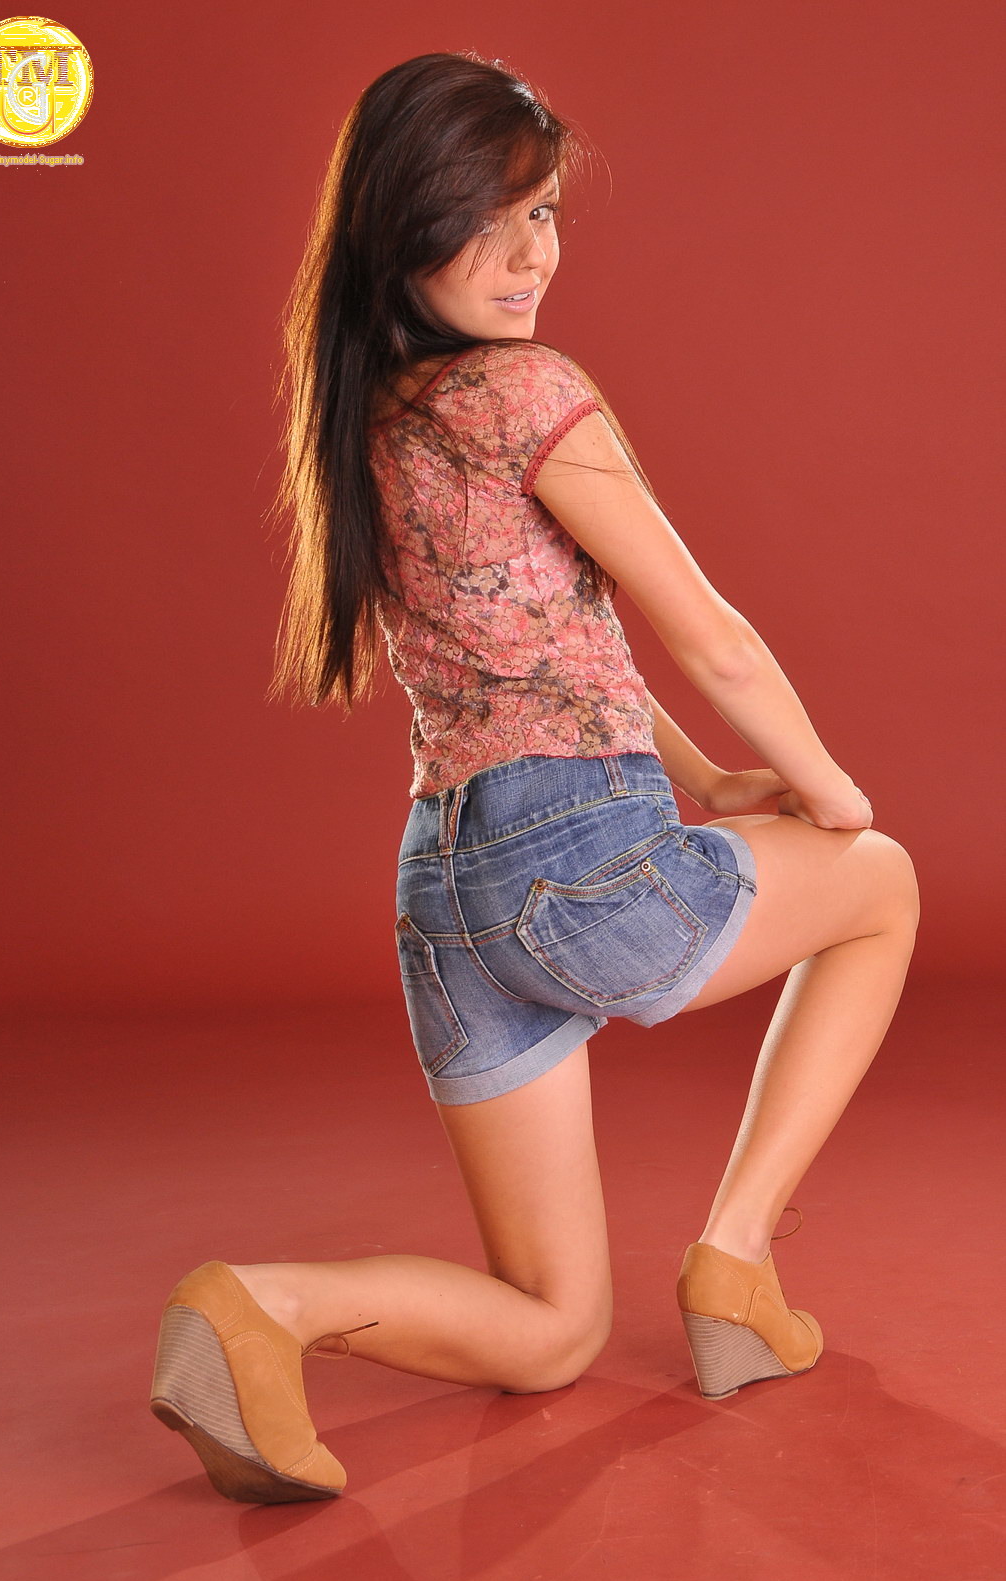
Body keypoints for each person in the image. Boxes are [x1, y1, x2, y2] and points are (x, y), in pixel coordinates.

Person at [149, 50, 920, 1504]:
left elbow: (541, 652)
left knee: (555, 1331)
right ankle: (734, 1263)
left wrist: (711, 782)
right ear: (401, 222)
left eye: (546, 213)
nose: (529, 257)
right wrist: (830, 791)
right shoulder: (528, 392)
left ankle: (263, 1307)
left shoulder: (369, 419)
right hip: (568, 859)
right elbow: (714, 636)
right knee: (881, 887)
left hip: (446, 892)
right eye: (484, 219)